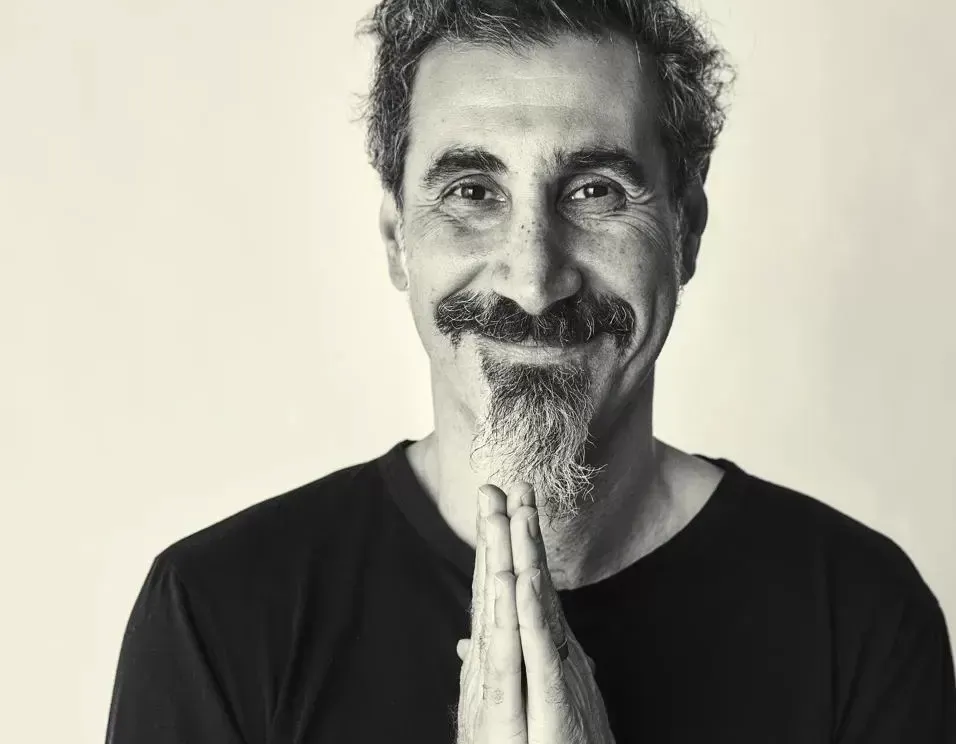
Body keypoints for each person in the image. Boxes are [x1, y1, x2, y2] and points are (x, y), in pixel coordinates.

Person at [105, 0, 956, 742]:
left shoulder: (861, 617)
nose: (533, 280)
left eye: (595, 191)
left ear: (686, 232)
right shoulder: (217, 614)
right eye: (473, 192)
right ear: (398, 240)